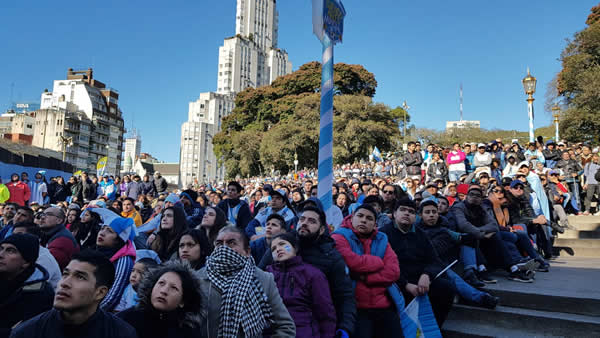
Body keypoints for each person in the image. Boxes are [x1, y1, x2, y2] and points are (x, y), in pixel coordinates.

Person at [9, 250, 138, 338]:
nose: (65, 283)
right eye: (65, 274)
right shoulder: (28, 332)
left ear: (100, 292)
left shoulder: (121, 333)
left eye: (80, 277)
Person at [196, 226, 296, 337]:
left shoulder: (263, 279)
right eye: (219, 243)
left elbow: (285, 326)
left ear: (247, 251)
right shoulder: (198, 279)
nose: (224, 248)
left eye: (231, 243)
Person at [380, 198, 455, 326]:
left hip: (420, 280)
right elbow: (382, 265)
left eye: (411, 211)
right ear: (394, 213)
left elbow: (434, 260)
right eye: (402, 210)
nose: (407, 213)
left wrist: (427, 275)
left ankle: (432, 329)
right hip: (395, 282)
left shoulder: (421, 234)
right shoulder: (383, 234)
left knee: (446, 288)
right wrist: (405, 284)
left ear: (415, 216)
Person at [332, 205, 402, 338]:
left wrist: (366, 278)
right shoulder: (339, 236)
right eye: (360, 216)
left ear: (375, 224)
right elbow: (351, 262)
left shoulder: (382, 239)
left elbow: (393, 271)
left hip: (384, 304)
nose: (364, 220)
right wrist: (377, 262)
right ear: (352, 218)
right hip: (355, 307)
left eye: (369, 218)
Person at [417, 199, 499, 309]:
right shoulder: (415, 230)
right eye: (427, 212)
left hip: (439, 264)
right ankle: (478, 295)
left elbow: (436, 251)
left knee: (451, 274)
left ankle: (478, 291)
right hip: (420, 265)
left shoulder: (444, 231)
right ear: (420, 215)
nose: (431, 215)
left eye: (434, 212)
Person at [267, 232, 337, 338]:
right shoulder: (267, 276)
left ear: (295, 248)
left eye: (282, 244)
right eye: (273, 249)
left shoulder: (313, 274)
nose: (278, 249)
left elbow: (325, 313)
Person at [117, 261, 203, 338]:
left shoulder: (189, 332)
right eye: (161, 283)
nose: (164, 291)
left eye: (174, 288)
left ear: (182, 301)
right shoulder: (126, 319)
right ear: (151, 287)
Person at [0, 234, 54, 337]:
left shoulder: (40, 294)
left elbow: (24, 332)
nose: (1, 254)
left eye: (10, 251)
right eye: (1, 248)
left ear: (26, 262)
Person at [95, 216, 137, 312]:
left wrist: (88, 314)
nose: (102, 233)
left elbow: (112, 297)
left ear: (118, 239)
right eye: (102, 228)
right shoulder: (100, 251)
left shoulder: (124, 260)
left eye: (109, 231)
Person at [11, 222, 62, 290]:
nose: (14, 239)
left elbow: (31, 287)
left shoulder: (44, 259)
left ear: (34, 238)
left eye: (20, 235)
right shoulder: (21, 253)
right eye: (13, 235)